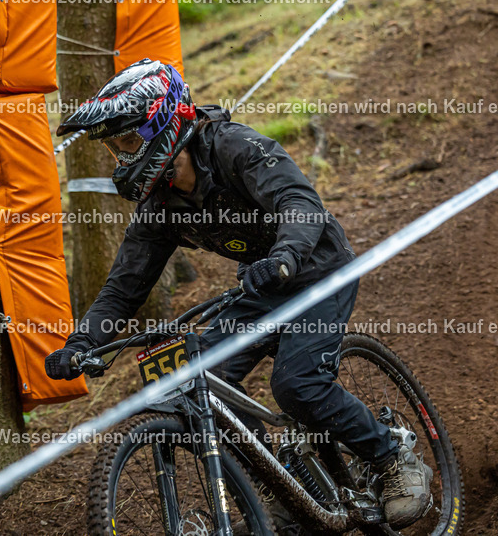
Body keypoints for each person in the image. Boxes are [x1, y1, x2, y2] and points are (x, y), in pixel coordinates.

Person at [45, 59, 432, 528]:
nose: (122, 156)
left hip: (316, 270)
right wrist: (82, 343)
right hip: (261, 286)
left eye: (128, 141)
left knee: (297, 385)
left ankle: (392, 457)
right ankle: (280, 487)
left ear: (162, 124)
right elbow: (124, 286)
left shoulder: (236, 147)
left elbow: (300, 203)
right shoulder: (160, 204)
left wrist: (286, 256)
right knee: (202, 382)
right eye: (114, 147)